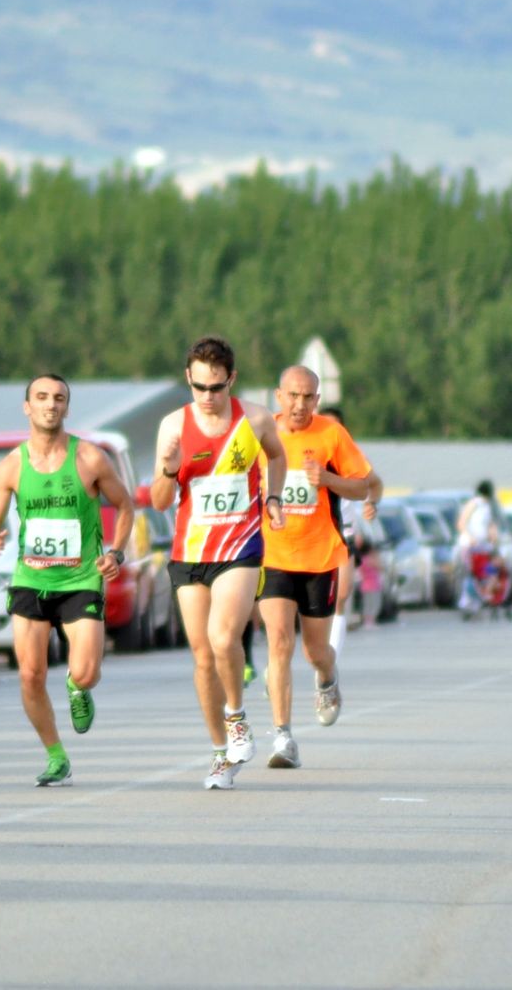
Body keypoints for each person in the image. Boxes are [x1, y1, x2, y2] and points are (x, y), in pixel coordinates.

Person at [0, 374, 133, 786]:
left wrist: (115, 552)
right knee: (29, 674)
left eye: (59, 398)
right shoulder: (11, 466)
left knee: (86, 673)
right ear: (27, 407)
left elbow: (125, 505)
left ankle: (77, 687)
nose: (51, 404)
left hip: (81, 578)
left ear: (67, 408)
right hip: (31, 577)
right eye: (42, 398)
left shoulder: (91, 459)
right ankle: (55, 755)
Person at [148, 336, 286, 789]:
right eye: (200, 387)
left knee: (224, 636)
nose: (208, 397)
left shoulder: (256, 419)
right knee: (202, 656)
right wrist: (168, 469)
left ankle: (237, 717)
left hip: (240, 548)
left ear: (232, 379)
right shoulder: (172, 426)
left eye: (217, 388)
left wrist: (272, 496)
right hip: (190, 552)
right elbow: (161, 499)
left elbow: (277, 456)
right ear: (189, 378)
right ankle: (220, 752)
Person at [259, 366, 374, 769]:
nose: (299, 404)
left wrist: (326, 478)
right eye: (292, 395)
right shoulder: (262, 434)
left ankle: (327, 678)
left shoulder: (330, 434)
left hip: (320, 556)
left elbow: (363, 484)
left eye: (308, 397)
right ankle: (282, 738)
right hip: (272, 556)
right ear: (278, 396)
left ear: (318, 400)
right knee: (278, 642)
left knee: (314, 651)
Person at [317, 405, 382, 654]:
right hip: (309, 536)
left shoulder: (351, 457)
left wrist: (371, 505)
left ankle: (329, 666)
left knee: (340, 597)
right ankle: (279, 662)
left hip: (343, 533)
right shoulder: (300, 454)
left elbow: (374, 484)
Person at [455, 480, 506, 619]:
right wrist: (470, 538)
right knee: (471, 573)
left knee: (484, 573)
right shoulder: (474, 504)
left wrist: (493, 537)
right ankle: (466, 601)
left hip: (482, 546)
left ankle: (477, 600)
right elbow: (461, 523)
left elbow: (489, 525)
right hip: (469, 545)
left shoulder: (486, 506)